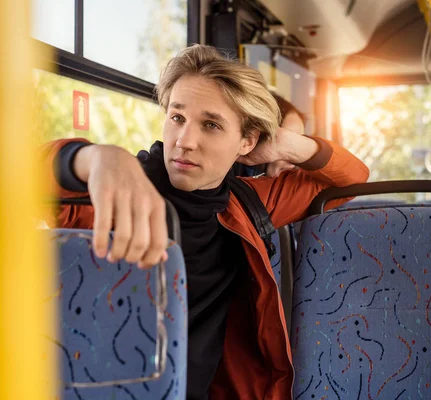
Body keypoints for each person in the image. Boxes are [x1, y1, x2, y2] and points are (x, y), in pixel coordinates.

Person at [41, 44, 369, 399]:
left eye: (211, 125)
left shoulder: (246, 204)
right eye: (177, 118)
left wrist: (288, 145)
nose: (185, 142)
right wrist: (90, 158)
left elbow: (352, 179)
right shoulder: (113, 195)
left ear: (247, 141)